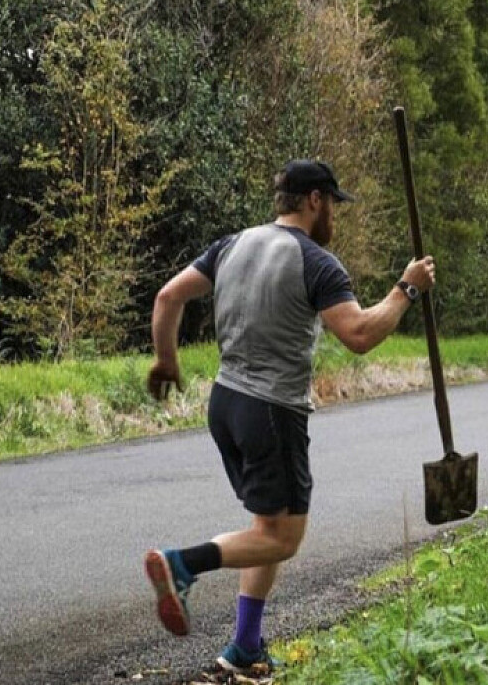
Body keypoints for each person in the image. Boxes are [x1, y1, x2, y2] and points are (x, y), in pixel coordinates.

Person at [143, 158, 435, 674]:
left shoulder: (232, 245)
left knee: (265, 526)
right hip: (272, 412)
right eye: (333, 205)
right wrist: (405, 290)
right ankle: (182, 563)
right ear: (315, 200)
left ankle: (245, 646)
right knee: (282, 538)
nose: (334, 217)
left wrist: (167, 360)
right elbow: (359, 334)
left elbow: (168, 297)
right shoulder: (316, 261)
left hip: (225, 403)